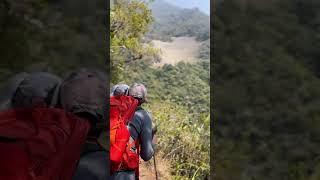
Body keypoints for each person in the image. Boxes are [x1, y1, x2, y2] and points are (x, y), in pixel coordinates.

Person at [111, 83, 155, 180]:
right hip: (122, 172)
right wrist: (153, 135)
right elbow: (146, 155)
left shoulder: (114, 109)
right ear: (143, 100)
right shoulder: (144, 116)